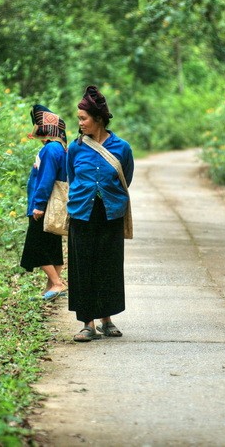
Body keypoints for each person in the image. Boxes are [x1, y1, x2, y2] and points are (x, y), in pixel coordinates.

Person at [66, 85, 134, 342]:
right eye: (79, 119)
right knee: (83, 267)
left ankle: (106, 320)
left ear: (98, 119)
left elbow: (125, 178)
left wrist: (109, 196)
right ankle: (87, 323)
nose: (80, 123)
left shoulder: (122, 148)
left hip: (110, 214)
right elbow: (72, 178)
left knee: (108, 266)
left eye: (83, 118)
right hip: (82, 214)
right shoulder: (75, 148)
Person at [20, 104, 68, 300]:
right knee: (52, 246)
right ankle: (51, 289)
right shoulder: (61, 149)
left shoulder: (50, 149)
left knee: (36, 247)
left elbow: (46, 179)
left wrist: (38, 205)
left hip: (44, 206)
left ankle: (57, 283)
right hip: (54, 206)